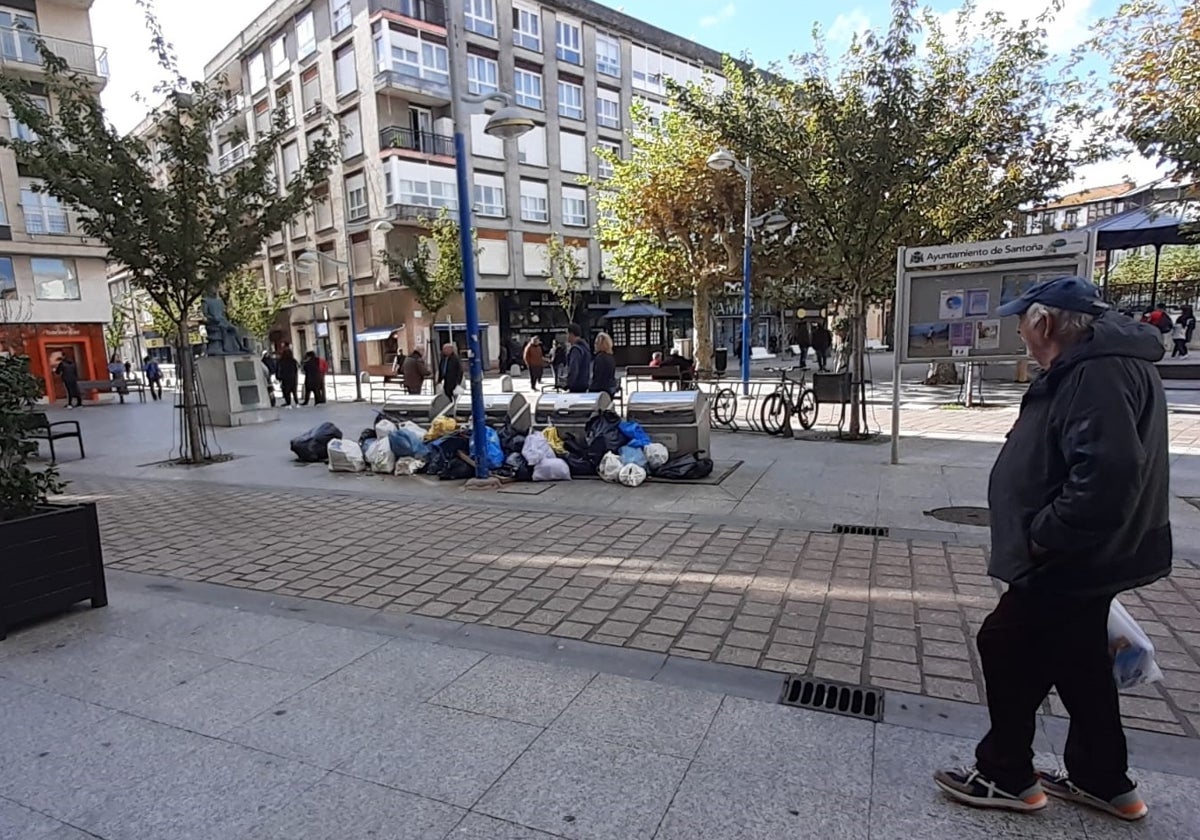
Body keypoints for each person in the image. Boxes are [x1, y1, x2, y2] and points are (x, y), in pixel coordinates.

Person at [934, 276, 1169, 823]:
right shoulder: (1102, 363)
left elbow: (1108, 472)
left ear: (1044, 322)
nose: (1019, 330)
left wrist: (1046, 535)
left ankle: (1006, 774)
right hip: (1096, 552)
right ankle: (1105, 780)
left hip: (1071, 556)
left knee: (1005, 644)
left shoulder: (1095, 372)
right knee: (1079, 657)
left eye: (1022, 320)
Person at [565, 323, 592, 393]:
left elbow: (574, 368)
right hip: (584, 382)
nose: (566, 336)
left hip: (576, 385)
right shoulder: (585, 347)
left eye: (567, 334)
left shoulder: (576, 349)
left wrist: (568, 383)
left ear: (571, 334)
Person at [589, 332, 618, 396]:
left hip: (601, 389)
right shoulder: (610, 357)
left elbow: (598, 376)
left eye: (596, 343)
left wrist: (590, 389)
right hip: (610, 388)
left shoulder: (600, 358)